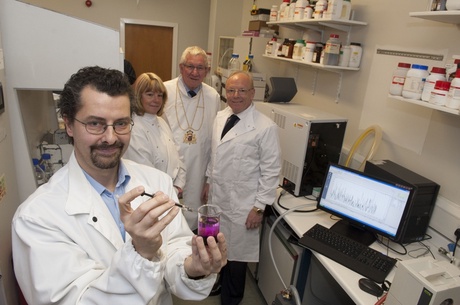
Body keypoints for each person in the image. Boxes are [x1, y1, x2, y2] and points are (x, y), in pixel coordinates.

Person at [11, 66, 227, 305]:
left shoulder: (156, 182)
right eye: (95, 124)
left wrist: (192, 266)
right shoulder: (37, 217)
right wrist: (141, 252)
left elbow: (175, 249)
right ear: (69, 125)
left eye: (121, 123)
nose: (111, 137)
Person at [203, 71, 281, 305]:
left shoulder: (265, 127)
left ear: (252, 93)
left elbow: (271, 171)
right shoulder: (220, 117)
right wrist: (208, 180)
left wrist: (259, 208)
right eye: (231, 90)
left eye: (242, 90)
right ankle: (219, 283)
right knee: (218, 246)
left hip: (243, 204)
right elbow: (214, 154)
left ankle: (232, 299)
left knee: (236, 258)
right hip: (218, 196)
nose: (235, 95)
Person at [162, 46, 221, 231]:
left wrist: (209, 180)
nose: (195, 72)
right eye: (190, 66)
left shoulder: (213, 96)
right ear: (181, 67)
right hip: (169, 167)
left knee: (193, 220)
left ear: (207, 71)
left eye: (200, 68)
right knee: (167, 218)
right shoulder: (165, 90)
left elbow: (215, 140)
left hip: (199, 169)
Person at [124, 72, 186, 199]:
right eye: (150, 94)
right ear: (138, 96)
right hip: (149, 197)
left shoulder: (161, 121)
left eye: (160, 95)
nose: (156, 100)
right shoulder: (134, 127)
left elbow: (178, 156)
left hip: (169, 193)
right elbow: (145, 174)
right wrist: (171, 192)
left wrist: (179, 185)